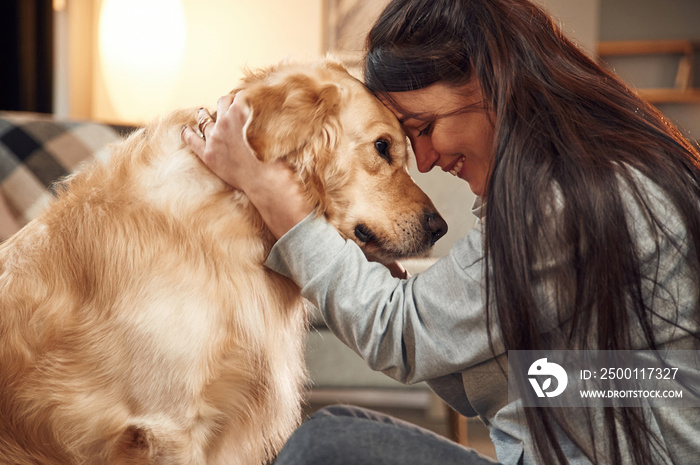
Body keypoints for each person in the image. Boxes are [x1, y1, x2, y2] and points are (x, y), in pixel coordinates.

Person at [183, 0, 700, 463]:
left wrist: (276, 200)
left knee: (325, 448)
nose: (425, 161)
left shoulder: (564, 197)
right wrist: (404, 303)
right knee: (337, 426)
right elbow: (573, 377)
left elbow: (401, 335)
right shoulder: (597, 170)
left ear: (490, 81)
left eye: (424, 129)